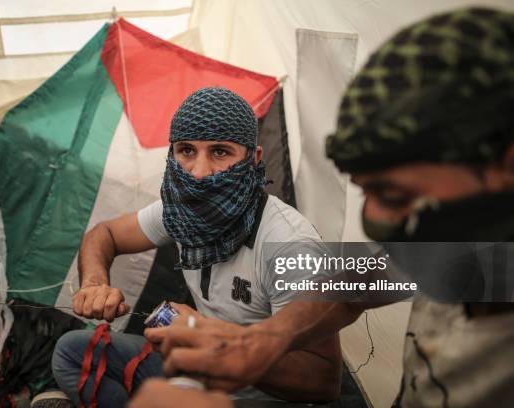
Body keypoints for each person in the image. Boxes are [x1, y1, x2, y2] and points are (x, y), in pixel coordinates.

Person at [134, 7, 514, 408]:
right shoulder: (469, 245)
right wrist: (261, 340)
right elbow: (354, 288)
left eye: (397, 195)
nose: (376, 222)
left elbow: (321, 379)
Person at [50, 87, 342, 407]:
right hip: (195, 375)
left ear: (253, 158)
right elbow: (104, 234)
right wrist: (94, 283)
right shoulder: (181, 214)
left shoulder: (288, 246)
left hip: (255, 398)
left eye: (220, 152)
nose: (200, 173)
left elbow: (323, 380)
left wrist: (222, 346)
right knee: (70, 353)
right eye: (187, 150)